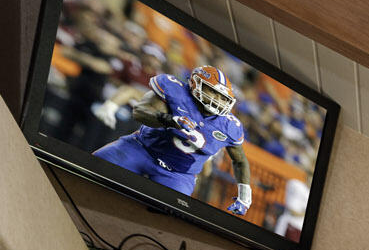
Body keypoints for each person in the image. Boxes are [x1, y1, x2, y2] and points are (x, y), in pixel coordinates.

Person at [92, 64, 254, 217]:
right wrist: (168, 119)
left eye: (223, 97)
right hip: (142, 149)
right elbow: (140, 112)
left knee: (169, 216)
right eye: (213, 92)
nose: (218, 100)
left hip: (178, 175)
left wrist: (244, 195)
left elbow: (240, 161)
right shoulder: (176, 90)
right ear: (196, 84)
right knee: (94, 167)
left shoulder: (230, 126)